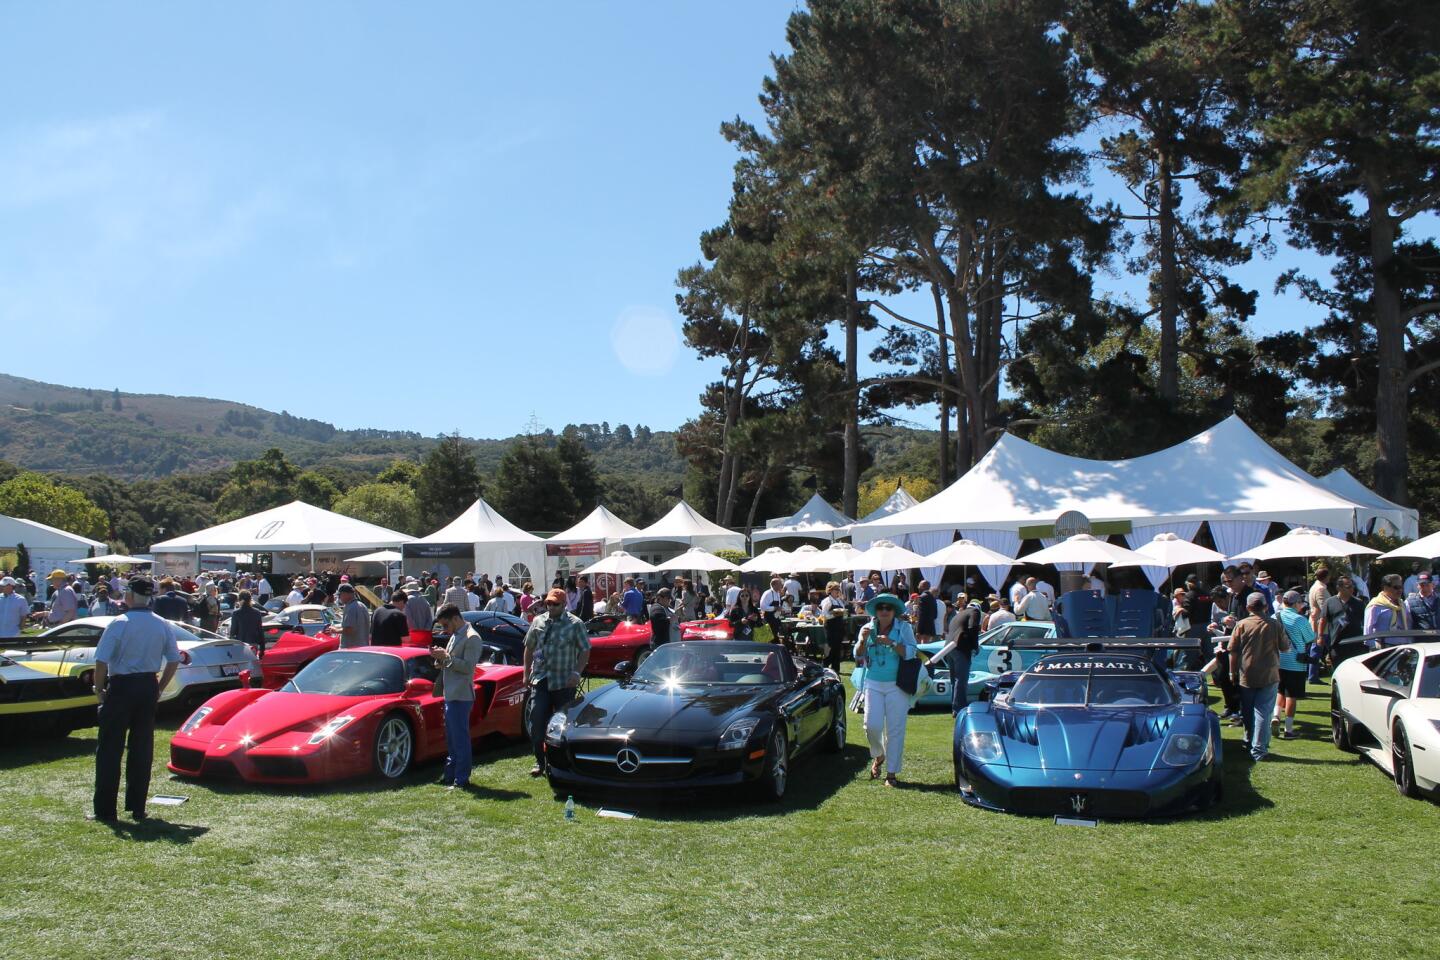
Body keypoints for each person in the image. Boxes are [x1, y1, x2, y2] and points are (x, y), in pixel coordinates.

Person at [90, 576, 181, 823]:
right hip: (147, 686)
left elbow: (101, 661)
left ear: (130, 595)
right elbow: (173, 659)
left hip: (122, 686)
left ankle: (105, 810)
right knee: (142, 748)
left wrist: (99, 690)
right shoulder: (161, 624)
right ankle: (137, 807)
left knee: (110, 748)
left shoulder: (120, 623)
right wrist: (159, 688)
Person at [523, 588, 590, 777]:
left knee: (563, 725)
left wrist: (576, 672)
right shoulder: (538, 621)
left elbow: (585, 650)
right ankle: (540, 761)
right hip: (541, 678)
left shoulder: (575, 624)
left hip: (564, 681)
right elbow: (529, 648)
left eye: (555, 604)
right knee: (537, 721)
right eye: (548, 603)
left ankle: (564, 761)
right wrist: (525, 672)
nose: (550, 607)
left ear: (564, 605)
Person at [854, 593, 918, 787]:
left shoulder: (903, 627)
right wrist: (863, 641)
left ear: (894, 611)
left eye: (888, 608)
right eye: (880, 608)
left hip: (897, 684)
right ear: (876, 611)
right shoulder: (867, 628)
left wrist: (891, 643)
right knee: (871, 725)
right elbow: (857, 656)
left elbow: (910, 653)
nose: (884, 611)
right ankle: (879, 754)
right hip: (872, 682)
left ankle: (891, 774)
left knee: (895, 729)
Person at [428, 604, 483, 789]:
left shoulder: (472, 637)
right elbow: (451, 661)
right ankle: (449, 775)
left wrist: (446, 658)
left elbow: (468, 668)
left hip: (461, 695)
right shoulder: (456, 634)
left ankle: (461, 779)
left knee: (460, 739)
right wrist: (440, 659)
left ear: (455, 618)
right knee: (451, 738)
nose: (444, 629)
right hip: (450, 693)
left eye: (445, 625)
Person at [1230, 592, 1285, 761]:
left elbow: (1233, 651)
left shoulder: (1242, 625)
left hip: (1247, 673)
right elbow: (1285, 647)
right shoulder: (1274, 624)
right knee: (1262, 712)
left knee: (1247, 710)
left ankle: (1249, 741)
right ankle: (1259, 749)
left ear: (1248, 608)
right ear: (1266, 606)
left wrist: (1232, 672)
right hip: (1269, 673)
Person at [930, 597, 981, 716]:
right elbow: (972, 628)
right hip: (960, 648)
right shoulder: (975, 612)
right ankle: (959, 708)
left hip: (948, 648)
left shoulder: (959, 614)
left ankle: (955, 706)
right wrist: (975, 645)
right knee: (961, 679)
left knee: (954, 679)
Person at [1273, 590, 1313, 740]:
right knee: (1292, 695)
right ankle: (1288, 729)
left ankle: (1276, 716)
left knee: (1280, 691)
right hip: (1295, 662)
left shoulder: (1274, 616)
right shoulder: (1300, 619)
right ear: (1296, 603)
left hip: (1277, 661)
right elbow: (1310, 638)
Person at [1321, 576, 1366, 678]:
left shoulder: (1358, 603)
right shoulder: (1329, 602)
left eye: (1352, 586)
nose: (1352, 588)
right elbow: (1323, 620)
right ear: (1339, 588)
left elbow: (1365, 622)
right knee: (1338, 672)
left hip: (1356, 644)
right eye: (1348, 586)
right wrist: (1320, 637)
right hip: (1337, 644)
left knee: (1355, 673)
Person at [819, 581, 847, 672]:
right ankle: (824, 668)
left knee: (837, 651)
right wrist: (835, 614)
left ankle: (836, 671)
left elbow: (845, 613)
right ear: (830, 590)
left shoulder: (839, 600)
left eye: (838, 589)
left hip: (839, 628)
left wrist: (844, 614)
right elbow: (824, 616)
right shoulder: (826, 601)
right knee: (831, 650)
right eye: (835, 589)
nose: (838, 591)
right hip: (831, 628)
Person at [229, 590, 266, 654]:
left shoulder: (236, 613)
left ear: (240, 600)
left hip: (241, 644)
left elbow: (233, 632)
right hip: (253, 643)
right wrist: (262, 649)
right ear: (250, 600)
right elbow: (260, 631)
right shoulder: (257, 612)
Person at [337, 583, 370, 649]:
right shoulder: (362, 605)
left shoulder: (351, 608)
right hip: (363, 647)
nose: (339, 598)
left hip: (351, 649)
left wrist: (335, 630)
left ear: (346, 594)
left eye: (340, 595)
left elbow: (350, 630)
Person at [915, 580, 940, 644]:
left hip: (922, 627)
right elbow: (935, 615)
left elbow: (921, 615)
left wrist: (918, 630)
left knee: (919, 647)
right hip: (930, 626)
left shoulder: (922, 597)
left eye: (919, 585)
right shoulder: (933, 597)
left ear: (923, 587)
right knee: (926, 646)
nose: (918, 587)